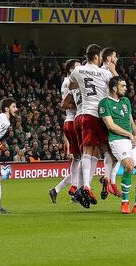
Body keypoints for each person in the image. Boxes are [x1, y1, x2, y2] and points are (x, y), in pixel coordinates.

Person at [68, 45, 118, 207]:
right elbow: (117, 88)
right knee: (108, 151)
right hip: (98, 115)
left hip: (81, 116)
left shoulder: (78, 71)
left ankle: (86, 187)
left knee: (86, 152)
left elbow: (70, 86)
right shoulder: (104, 73)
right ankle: (106, 179)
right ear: (97, 58)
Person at [99, 76, 136, 214]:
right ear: (114, 88)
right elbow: (110, 126)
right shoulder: (104, 103)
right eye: (123, 86)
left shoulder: (126, 101)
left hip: (130, 139)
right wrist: (128, 135)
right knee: (128, 165)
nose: (126, 88)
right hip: (117, 139)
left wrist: (135, 135)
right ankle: (125, 203)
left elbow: (130, 121)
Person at [50, 59, 81, 204]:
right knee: (85, 159)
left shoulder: (67, 82)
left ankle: (60, 189)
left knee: (79, 160)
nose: (81, 68)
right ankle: (77, 191)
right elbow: (67, 104)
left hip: (70, 122)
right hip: (75, 121)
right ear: (70, 70)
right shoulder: (70, 83)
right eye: (77, 66)